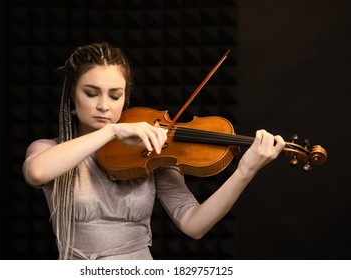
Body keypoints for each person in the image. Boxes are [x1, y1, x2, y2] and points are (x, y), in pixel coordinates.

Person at [22, 41, 286, 260]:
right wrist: (112, 131)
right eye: (92, 93)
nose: (104, 105)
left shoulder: (148, 150)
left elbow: (194, 225)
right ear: (72, 95)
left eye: (115, 96)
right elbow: (36, 172)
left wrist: (244, 171)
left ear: (126, 97)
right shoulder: (48, 149)